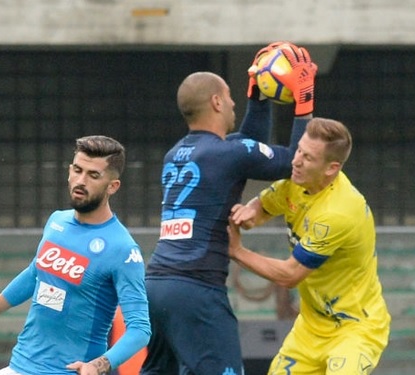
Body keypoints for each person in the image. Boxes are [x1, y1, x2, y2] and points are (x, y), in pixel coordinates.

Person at [141, 42, 317, 375]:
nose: (235, 101)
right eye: (231, 96)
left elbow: (250, 146)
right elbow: (295, 161)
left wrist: (258, 100)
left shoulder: (178, 153)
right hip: (196, 289)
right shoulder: (227, 154)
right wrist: (304, 100)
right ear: (217, 101)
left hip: (157, 286)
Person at [0, 135, 151, 375]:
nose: (81, 181)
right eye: (77, 170)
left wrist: (99, 365)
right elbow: (35, 274)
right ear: (69, 171)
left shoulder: (122, 249)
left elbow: (140, 329)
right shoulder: (57, 221)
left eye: (93, 175)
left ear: (113, 186)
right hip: (20, 366)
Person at [228, 118, 391, 374]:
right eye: (299, 150)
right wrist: (249, 214)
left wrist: (236, 251)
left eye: (308, 157)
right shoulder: (295, 182)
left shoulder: (338, 212)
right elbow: (265, 205)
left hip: (354, 328)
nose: (296, 160)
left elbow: (290, 275)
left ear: (331, 168)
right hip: (311, 327)